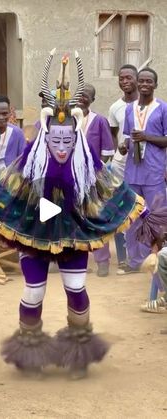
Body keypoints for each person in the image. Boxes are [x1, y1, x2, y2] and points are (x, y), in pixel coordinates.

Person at [0, 50, 167, 379]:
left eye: (67, 139)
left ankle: (78, 352)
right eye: (54, 138)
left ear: (75, 139)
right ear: (45, 138)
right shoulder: (28, 168)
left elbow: (120, 192)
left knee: (75, 290)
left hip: (73, 236)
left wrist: (152, 227)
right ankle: (30, 352)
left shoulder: (88, 169)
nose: (61, 145)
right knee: (33, 292)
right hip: (34, 235)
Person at [118, 67, 167, 275]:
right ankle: (134, 261)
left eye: (149, 81)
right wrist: (124, 145)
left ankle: (155, 260)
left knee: (156, 216)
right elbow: (130, 137)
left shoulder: (163, 108)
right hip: (133, 171)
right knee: (132, 216)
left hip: (154, 171)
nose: (145, 84)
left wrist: (146, 137)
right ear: (138, 84)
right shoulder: (130, 110)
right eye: (142, 81)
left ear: (155, 85)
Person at [79, 84, 115, 277]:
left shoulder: (99, 121)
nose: (82, 98)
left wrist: (95, 171)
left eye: (87, 96)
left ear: (92, 99)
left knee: (97, 217)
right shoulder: (66, 119)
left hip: (93, 179)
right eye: (79, 94)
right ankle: (75, 260)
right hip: (70, 178)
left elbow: (108, 152)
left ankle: (102, 262)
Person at [108, 65, 139, 272]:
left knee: (142, 208)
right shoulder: (114, 108)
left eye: (129, 77)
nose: (125, 81)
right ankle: (122, 257)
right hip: (120, 164)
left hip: (144, 165)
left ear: (137, 79)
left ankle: (143, 255)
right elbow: (114, 135)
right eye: (121, 77)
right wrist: (117, 153)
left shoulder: (149, 105)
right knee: (120, 207)